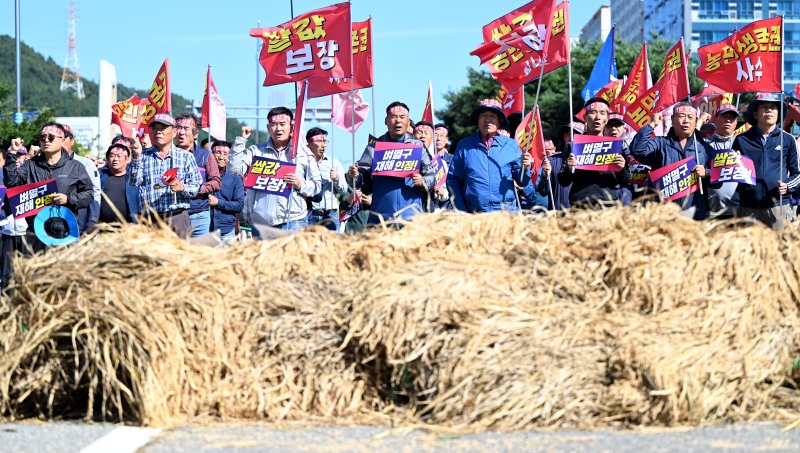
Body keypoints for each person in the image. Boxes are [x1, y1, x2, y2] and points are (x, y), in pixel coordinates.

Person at [4, 122, 94, 252]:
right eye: (42, 137)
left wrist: (68, 199)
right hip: (35, 232)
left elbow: (89, 194)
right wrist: (12, 153)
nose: (46, 140)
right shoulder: (30, 165)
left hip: (65, 231)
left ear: (62, 140)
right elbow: (11, 182)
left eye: (51, 137)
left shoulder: (75, 167)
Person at [230, 107, 321, 231]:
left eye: (283, 124)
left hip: (293, 220)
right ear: (268, 128)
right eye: (274, 124)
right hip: (261, 222)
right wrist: (241, 141)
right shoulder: (256, 151)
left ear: (292, 127)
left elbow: (316, 186)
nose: (278, 128)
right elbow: (235, 171)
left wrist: (300, 184)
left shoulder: (303, 154)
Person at [346, 102, 434, 223]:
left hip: (412, 218)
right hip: (381, 218)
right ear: (386, 121)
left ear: (408, 122)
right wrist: (353, 175)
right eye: (394, 117)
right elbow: (363, 183)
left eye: (402, 117)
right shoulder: (374, 147)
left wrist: (422, 182)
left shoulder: (417, 146)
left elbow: (431, 175)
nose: (398, 121)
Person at [447, 99, 532, 212]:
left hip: (506, 214)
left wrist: (525, 169)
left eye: (492, 116)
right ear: (477, 120)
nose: (487, 120)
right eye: (483, 115)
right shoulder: (464, 146)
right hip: (475, 214)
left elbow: (522, 182)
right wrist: (461, 210)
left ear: (500, 121)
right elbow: (453, 180)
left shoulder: (511, 146)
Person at [632, 102, 713, 219]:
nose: (686, 121)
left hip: (694, 213)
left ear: (695, 121)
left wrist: (707, 173)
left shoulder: (703, 148)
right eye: (681, 116)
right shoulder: (660, 143)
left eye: (690, 117)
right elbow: (638, 150)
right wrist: (652, 124)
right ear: (672, 119)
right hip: (663, 213)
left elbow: (718, 179)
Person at [127, 114, 202, 238]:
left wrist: (183, 188)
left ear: (174, 132)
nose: (158, 132)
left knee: (179, 255)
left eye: (163, 128)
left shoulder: (186, 157)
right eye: (155, 129)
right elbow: (133, 181)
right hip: (150, 220)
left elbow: (196, 186)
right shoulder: (143, 156)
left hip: (176, 217)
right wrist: (136, 156)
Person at [733, 93, 800, 230]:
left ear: (778, 113)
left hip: (779, 206)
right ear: (755, 114)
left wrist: (787, 186)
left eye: (773, 107)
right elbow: (730, 171)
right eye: (764, 107)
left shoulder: (788, 139)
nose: (769, 110)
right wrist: (733, 163)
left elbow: (797, 173)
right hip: (748, 207)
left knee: (780, 248)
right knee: (748, 250)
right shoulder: (741, 139)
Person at [558, 99, 629, 208]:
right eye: (593, 112)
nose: (598, 117)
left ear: (607, 119)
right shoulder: (573, 146)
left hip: (609, 207)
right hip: (580, 207)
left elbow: (626, 181)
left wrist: (622, 169)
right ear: (585, 118)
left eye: (602, 113)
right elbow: (563, 181)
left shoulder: (617, 146)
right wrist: (569, 168)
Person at [173, 112, 222, 237]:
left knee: (199, 252)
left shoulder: (205, 155)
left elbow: (216, 182)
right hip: (174, 215)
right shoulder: (168, 154)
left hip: (198, 214)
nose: (181, 132)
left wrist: (196, 189)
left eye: (186, 128)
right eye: (178, 128)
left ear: (195, 134)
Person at [62, 123, 102, 232]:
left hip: (79, 225)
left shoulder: (85, 163)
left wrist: (92, 222)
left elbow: (95, 192)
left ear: (72, 140)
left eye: (64, 138)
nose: (60, 141)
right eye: (57, 138)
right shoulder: (46, 164)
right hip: (50, 225)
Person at [306, 127, 346, 231]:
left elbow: (344, 190)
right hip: (310, 214)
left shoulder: (334, 163)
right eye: (319, 141)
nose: (323, 145)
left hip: (331, 215)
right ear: (308, 144)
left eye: (325, 141)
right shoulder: (303, 163)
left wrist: (336, 179)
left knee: (333, 246)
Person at [704, 104, 740, 219]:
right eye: (724, 116)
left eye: (732, 117)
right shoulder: (703, 144)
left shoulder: (743, 143)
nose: (728, 120)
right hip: (711, 212)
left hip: (740, 212)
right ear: (715, 119)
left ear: (736, 122)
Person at [208, 141, 244, 243]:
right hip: (205, 229)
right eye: (218, 153)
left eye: (225, 154)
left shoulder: (235, 178)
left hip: (226, 231)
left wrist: (218, 202)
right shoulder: (204, 174)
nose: (221, 157)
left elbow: (239, 205)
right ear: (211, 154)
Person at [98, 142, 140, 223]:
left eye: (119, 156)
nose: (115, 159)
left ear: (127, 159)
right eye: (112, 156)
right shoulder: (100, 175)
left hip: (128, 228)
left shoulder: (134, 177)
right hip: (103, 227)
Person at [549, 122, 583, 210]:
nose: (574, 138)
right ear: (565, 137)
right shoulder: (551, 161)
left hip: (582, 214)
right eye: (571, 135)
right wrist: (545, 177)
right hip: (558, 215)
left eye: (579, 135)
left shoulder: (590, 161)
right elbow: (542, 191)